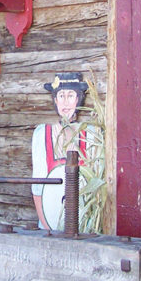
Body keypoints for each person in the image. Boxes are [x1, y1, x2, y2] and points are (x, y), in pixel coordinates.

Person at [31, 72, 88, 231]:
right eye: (61, 96)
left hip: (83, 223)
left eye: (71, 95)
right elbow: (37, 186)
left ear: (79, 99)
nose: (65, 102)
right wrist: (48, 226)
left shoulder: (90, 134)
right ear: (55, 100)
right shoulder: (43, 134)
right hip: (51, 218)